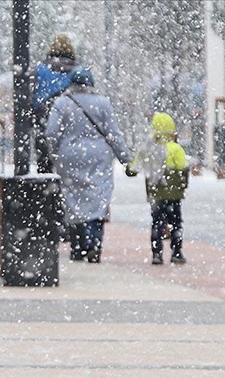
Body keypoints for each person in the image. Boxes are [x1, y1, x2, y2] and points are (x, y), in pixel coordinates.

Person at [46, 67, 133, 263]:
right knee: (98, 198)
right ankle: (94, 243)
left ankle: (77, 247)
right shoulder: (103, 103)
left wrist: (55, 154)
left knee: (72, 199)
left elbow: (51, 132)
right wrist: (125, 159)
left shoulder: (62, 102)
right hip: (99, 156)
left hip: (70, 155)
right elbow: (113, 134)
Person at [126, 112, 189, 265]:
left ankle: (157, 253)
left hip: (156, 194)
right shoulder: (175, 149)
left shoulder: (149, 150)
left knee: (157, 222)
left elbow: (132, 169)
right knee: (175, 223)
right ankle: (177, 252)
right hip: (174, 194)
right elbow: (183, 168)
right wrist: (182, 184)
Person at [31, 34, 80, 174]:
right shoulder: (77, 71)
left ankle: (46, 189)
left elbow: (31, 95)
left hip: (43, 118)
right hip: (69, 120)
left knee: (44, 160)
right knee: (68, 162)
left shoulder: (40, 69)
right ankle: (65, 190)